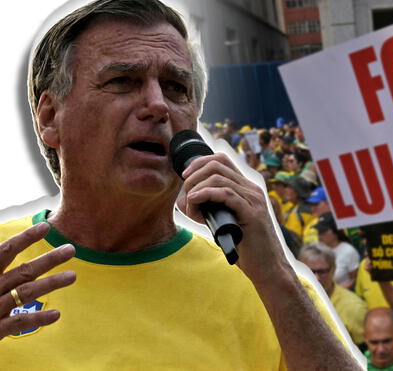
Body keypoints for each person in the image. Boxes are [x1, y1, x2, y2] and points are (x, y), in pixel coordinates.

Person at [0, 0, 361, 369]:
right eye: (122, 81)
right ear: (49, 117)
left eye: (176, 88)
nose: (158, 105)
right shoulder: (3, 263)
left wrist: (278, 274)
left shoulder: (265, 286)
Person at [298, 243, 367, 346]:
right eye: (310, 271)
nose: (316, 278)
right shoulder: (290, 301)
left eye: (322, 272)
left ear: (333, 270)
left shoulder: (354, 307)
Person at [315, 212, 360, 288]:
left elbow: (355, 279)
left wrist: (335, 292)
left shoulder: (348, 251)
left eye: (323, 232)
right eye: (318, 232)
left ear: (335, 231)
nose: (319, 235)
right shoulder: (316, 249)